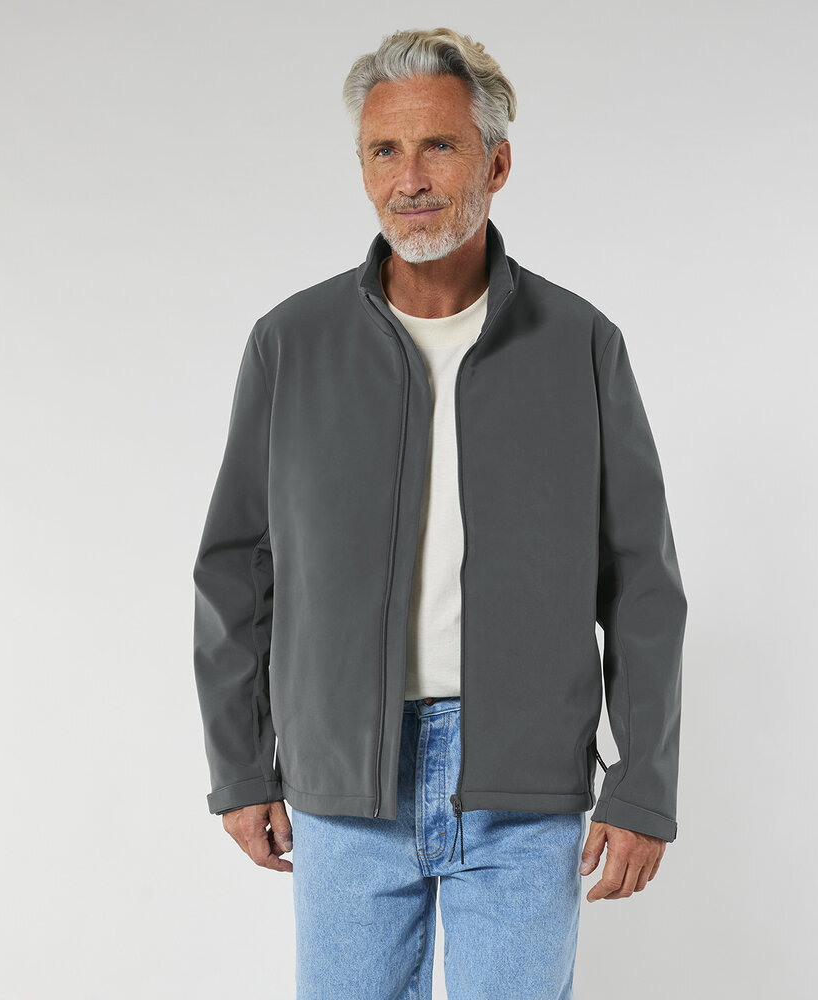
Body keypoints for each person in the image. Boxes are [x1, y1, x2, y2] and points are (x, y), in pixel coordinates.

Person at [192, 26, 687, 999]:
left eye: (438, 146)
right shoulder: (291, 344)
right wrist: (242, 768)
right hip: (344, 783)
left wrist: (642, 784)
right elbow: (236, 568)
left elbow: (640, 580)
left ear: (495, 164)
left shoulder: (579, 344)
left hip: (523, 785)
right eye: (384, 149)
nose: (409, 177)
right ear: (362, 168)